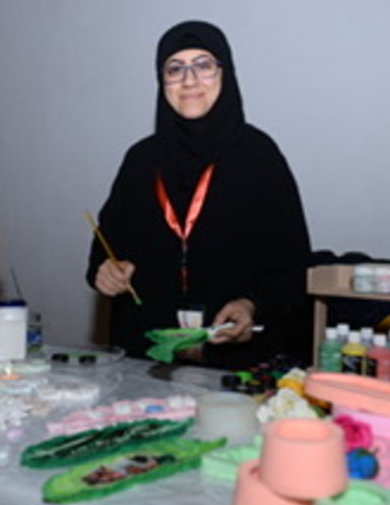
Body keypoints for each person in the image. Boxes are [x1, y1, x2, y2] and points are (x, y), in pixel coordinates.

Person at [86, 20, 312, 369]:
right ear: (161, 81)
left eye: (203, 65)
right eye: (175, 69)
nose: (189, 80)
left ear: (226, 73)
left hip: (234, 366)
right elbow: (104, 250)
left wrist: (252, 304)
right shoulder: (140, 161)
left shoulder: (259, 157)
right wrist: (105, 272)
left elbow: (292, 267)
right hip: (147, 363)